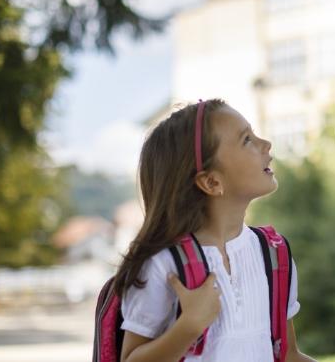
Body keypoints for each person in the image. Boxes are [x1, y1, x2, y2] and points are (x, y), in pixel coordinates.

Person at [114, 99, 316, 362]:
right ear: (211, 181)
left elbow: (288, 355)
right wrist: (189, 326)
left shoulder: (274, 254)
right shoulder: (164, 265)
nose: (266, 144)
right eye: (246, 140)